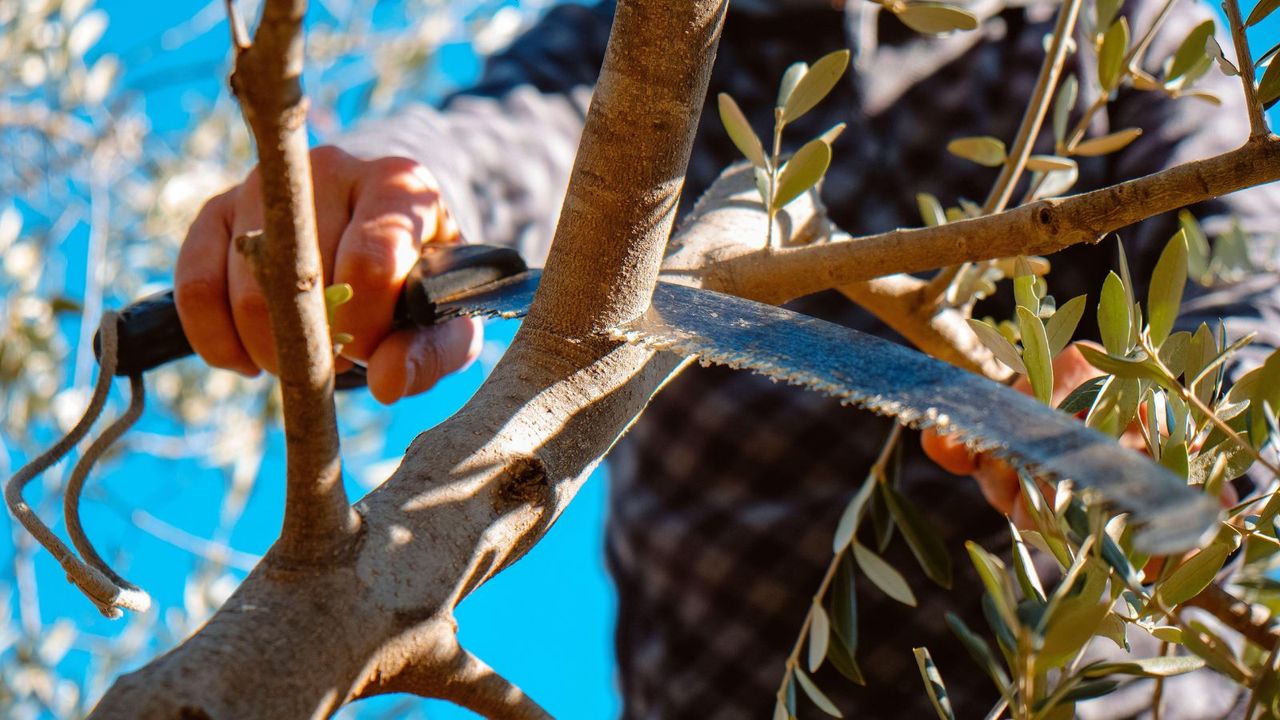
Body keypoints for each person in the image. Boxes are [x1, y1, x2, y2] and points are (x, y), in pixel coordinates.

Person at [173, 0, 1280, 716]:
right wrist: (382, 195)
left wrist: (1193, 416)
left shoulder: (1132, 37)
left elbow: (1248, 287)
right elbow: (514, 133)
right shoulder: (664, 34)